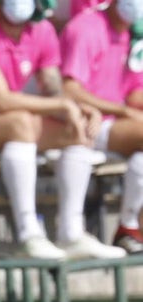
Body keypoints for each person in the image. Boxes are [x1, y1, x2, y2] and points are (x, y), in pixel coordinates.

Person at [0, 0, 125, 260]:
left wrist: (80, 109)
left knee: (77, 129)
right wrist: (62, 105)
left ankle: (72, 233)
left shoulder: (43, 31)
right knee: (21, 123)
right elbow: (0, 99)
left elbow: (53, 91)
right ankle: (29, 234)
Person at [59, 0, 143, 254]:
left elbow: (134, 93)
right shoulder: (85, 28)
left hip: (114, 123)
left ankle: (130, 227)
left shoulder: (134, 33)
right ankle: (128, 228)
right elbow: (70, 89)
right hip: (83, 122)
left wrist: (127, 109)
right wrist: (121, 110)